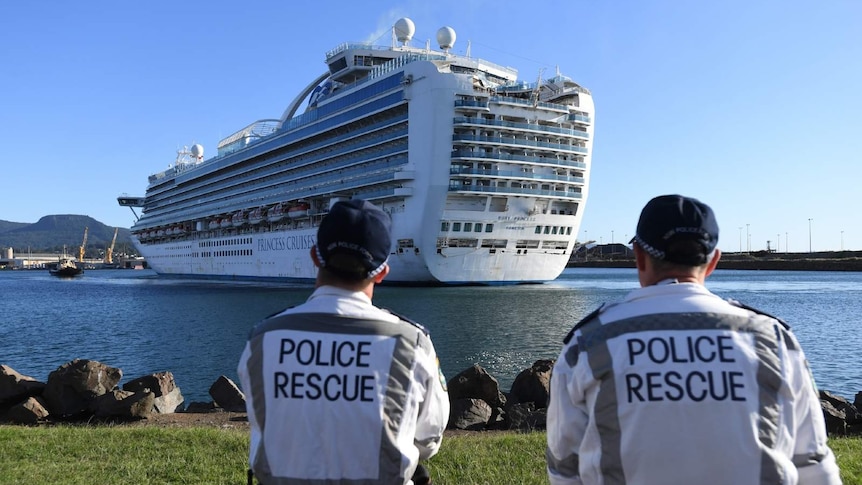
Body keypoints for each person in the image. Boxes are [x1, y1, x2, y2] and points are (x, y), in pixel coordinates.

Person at [546, 194, 842, 485]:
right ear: (713, 262)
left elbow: (565, 469)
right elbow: (813, 464)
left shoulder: (589, 343)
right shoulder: (772, 340)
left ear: (638, 256)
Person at [237, 199, 450, 485]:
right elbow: (429, 440)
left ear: (314, 256)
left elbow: (264, 421)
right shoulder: (412, 344)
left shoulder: (263, 339)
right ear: (382, 272)